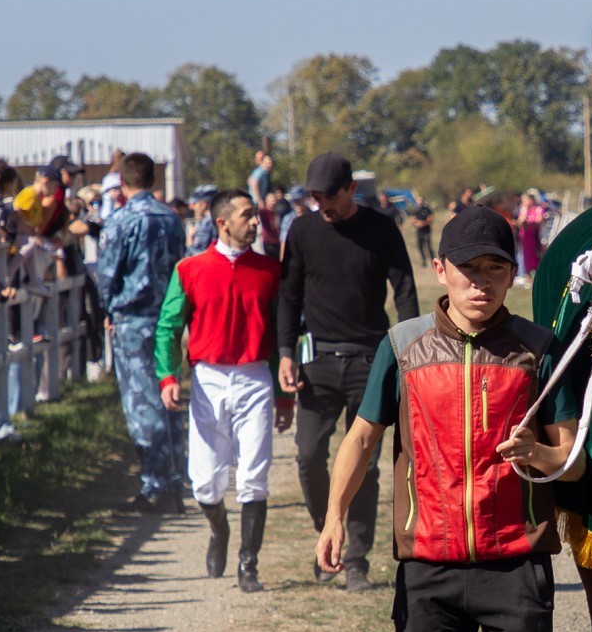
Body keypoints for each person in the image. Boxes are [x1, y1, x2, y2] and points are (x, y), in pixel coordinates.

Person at [313, 206, 584, 632]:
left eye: (496, 268)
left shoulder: (539, 348)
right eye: (469, 270)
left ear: (511, 273)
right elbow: (365, 436)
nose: (482, 283)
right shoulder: (401, 346)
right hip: (428, 564)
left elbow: (574, 458)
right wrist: (336, 516)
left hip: (517, 562)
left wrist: (544, 458)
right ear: (441, 271)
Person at [277, 152, 419, 591]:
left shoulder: (380, 229)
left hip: (370, 360)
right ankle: (329, 532)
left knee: (368, 467)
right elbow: (288, 296)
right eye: (314, 198)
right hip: (316, 361)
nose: (322, 206)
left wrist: (410, 352)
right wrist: (284, 351)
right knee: (307, 455)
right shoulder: (301, 231)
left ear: (351, 189)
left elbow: (406, 290)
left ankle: (356, 558)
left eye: (329, 197)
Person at [156, 190, 294, 591]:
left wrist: (285, 394)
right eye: (248, 216)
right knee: (205, 482)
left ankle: (248, 566)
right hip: (208, 378)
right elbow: (169, 326)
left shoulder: (270, 272)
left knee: (254, 475)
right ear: (222, 223)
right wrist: (168, 377)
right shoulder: (190, 269)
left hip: (254, 377)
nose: (256, 222)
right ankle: (219, 530)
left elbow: (282, 333)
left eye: (256, 215)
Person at [97, 152, 186, 512]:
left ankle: (156, 484)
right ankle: (175, 479)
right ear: (152, 179)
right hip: (168, 317)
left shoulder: (120, 220)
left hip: (132, 319)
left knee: (141, 405)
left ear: (122, 181)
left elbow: (106, 275)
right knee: (168, 398)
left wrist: (107, 309)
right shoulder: (172, 218)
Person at [186, 185, 218, 254]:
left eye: (195, 203)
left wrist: (189, 241)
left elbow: (200, 253)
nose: (192, 207)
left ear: (203, 205)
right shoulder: (223, 218)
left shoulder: (207, 222)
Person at [410, 193, 434, 264]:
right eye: (418, 201)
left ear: (423, 201)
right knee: (420, 247)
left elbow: (430, 219)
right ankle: (424, 261)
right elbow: (413, 220)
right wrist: (417, 223)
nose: (419, 202)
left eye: (420, 200)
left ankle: (432, 260)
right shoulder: (416, 210)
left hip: (426, 231)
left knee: (428, 247)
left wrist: (423, 223)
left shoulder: (427, 209)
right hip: (419, 231)